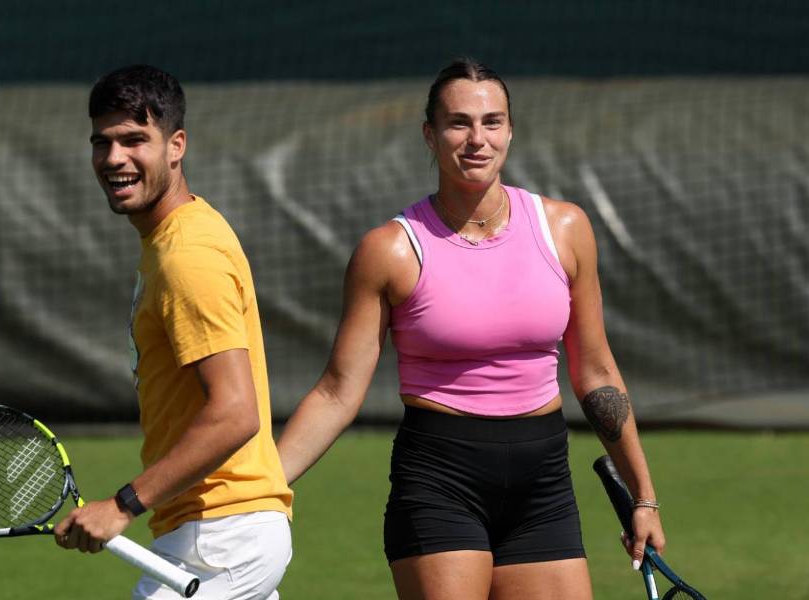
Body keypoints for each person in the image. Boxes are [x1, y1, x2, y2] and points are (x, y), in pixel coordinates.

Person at [276, 58, 666, 600]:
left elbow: (597, 374)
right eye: (458, 123)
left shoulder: (566, 228)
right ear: (430, 135)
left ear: (510, 131)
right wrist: (262, 485)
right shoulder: (389, 250)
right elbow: (338, 391)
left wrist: (644, 496)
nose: (477, 139)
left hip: (543, 484)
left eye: (491, 122)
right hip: (439, 481)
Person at [53, 65, 293, 600]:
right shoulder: (173, 239)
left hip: (221, 537)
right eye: (102, 142)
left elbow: (235, 412)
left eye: (134, 139)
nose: (114, 158)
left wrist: (122, 506)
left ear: (176, 145)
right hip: (213, 531)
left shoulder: (187, 256)